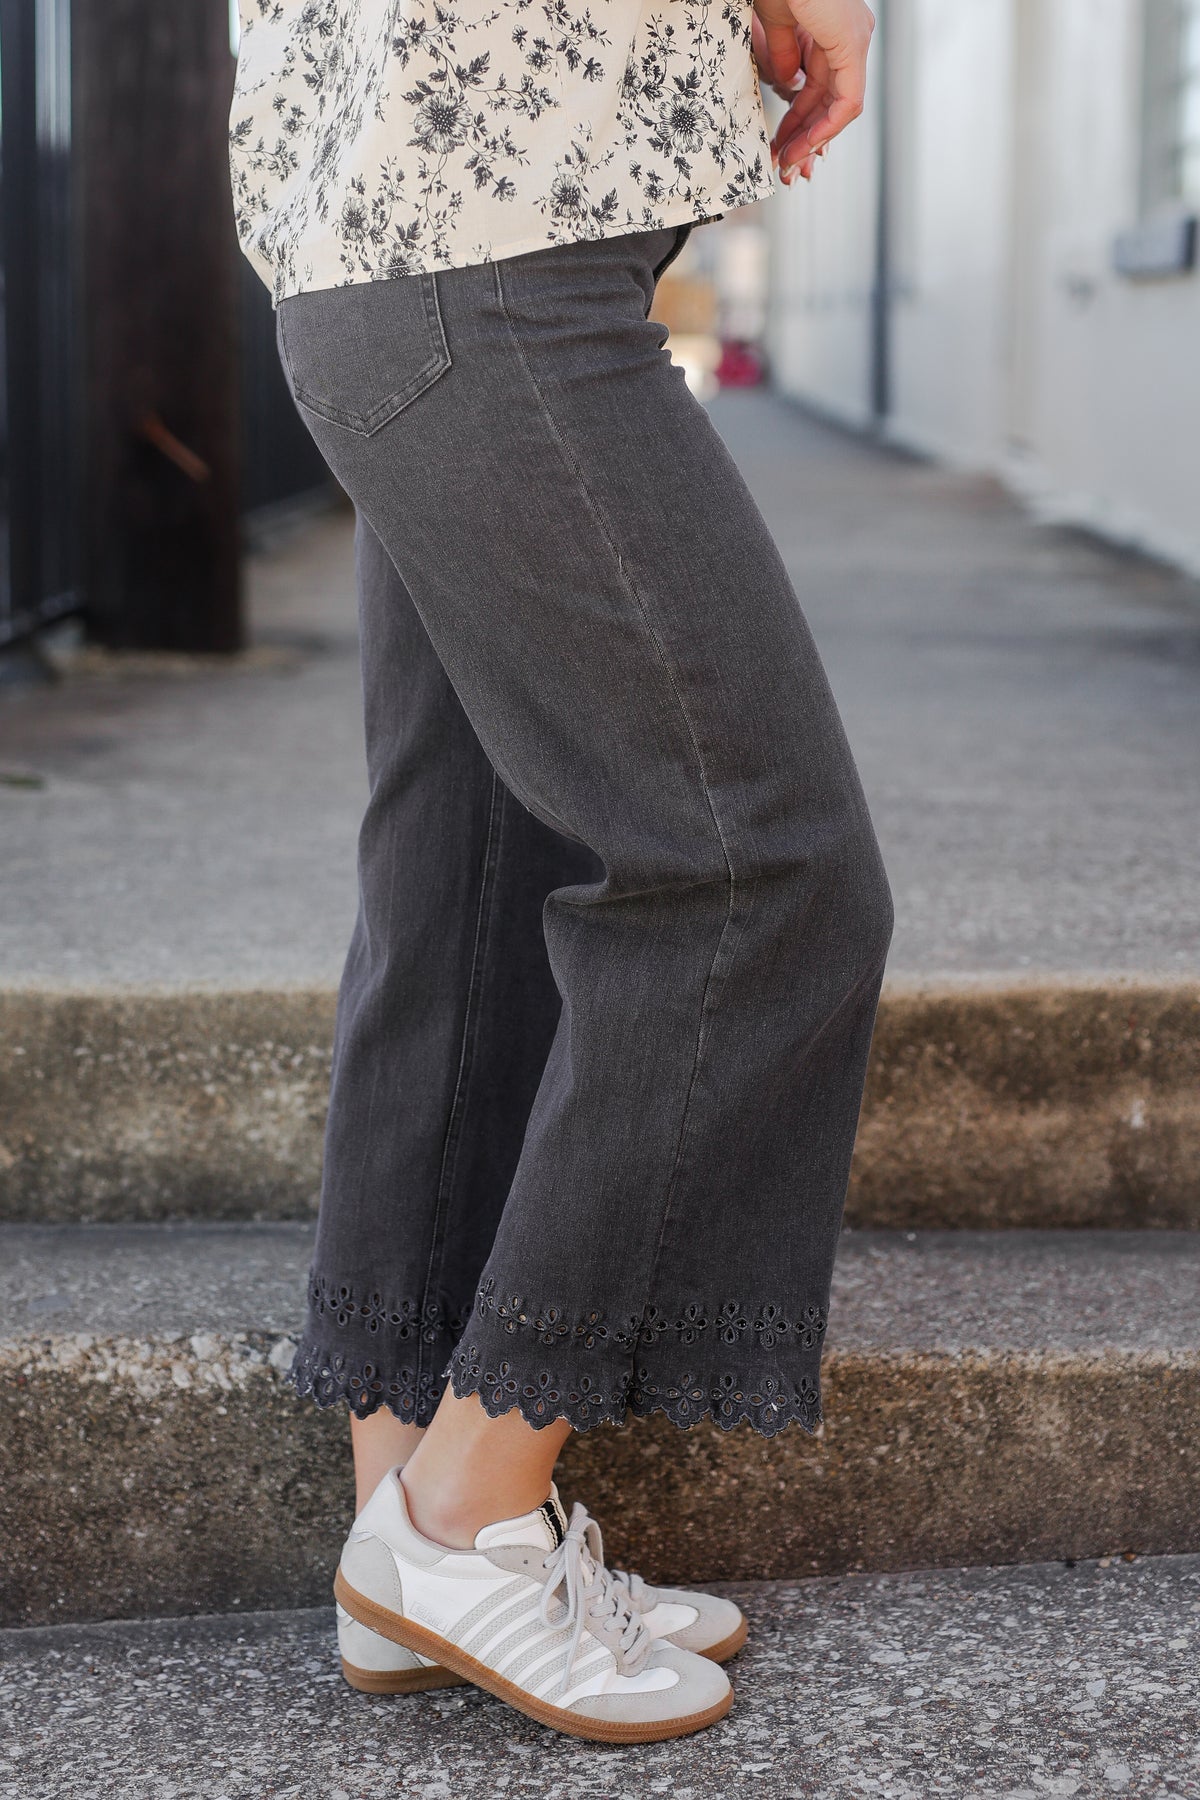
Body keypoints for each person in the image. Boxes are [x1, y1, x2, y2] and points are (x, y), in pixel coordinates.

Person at [229, 0, 888, 1745]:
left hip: (407, 244)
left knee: (467, 873)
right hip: (492, 260)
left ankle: (402, 1532)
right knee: (759, 868)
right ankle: (464, 1518)